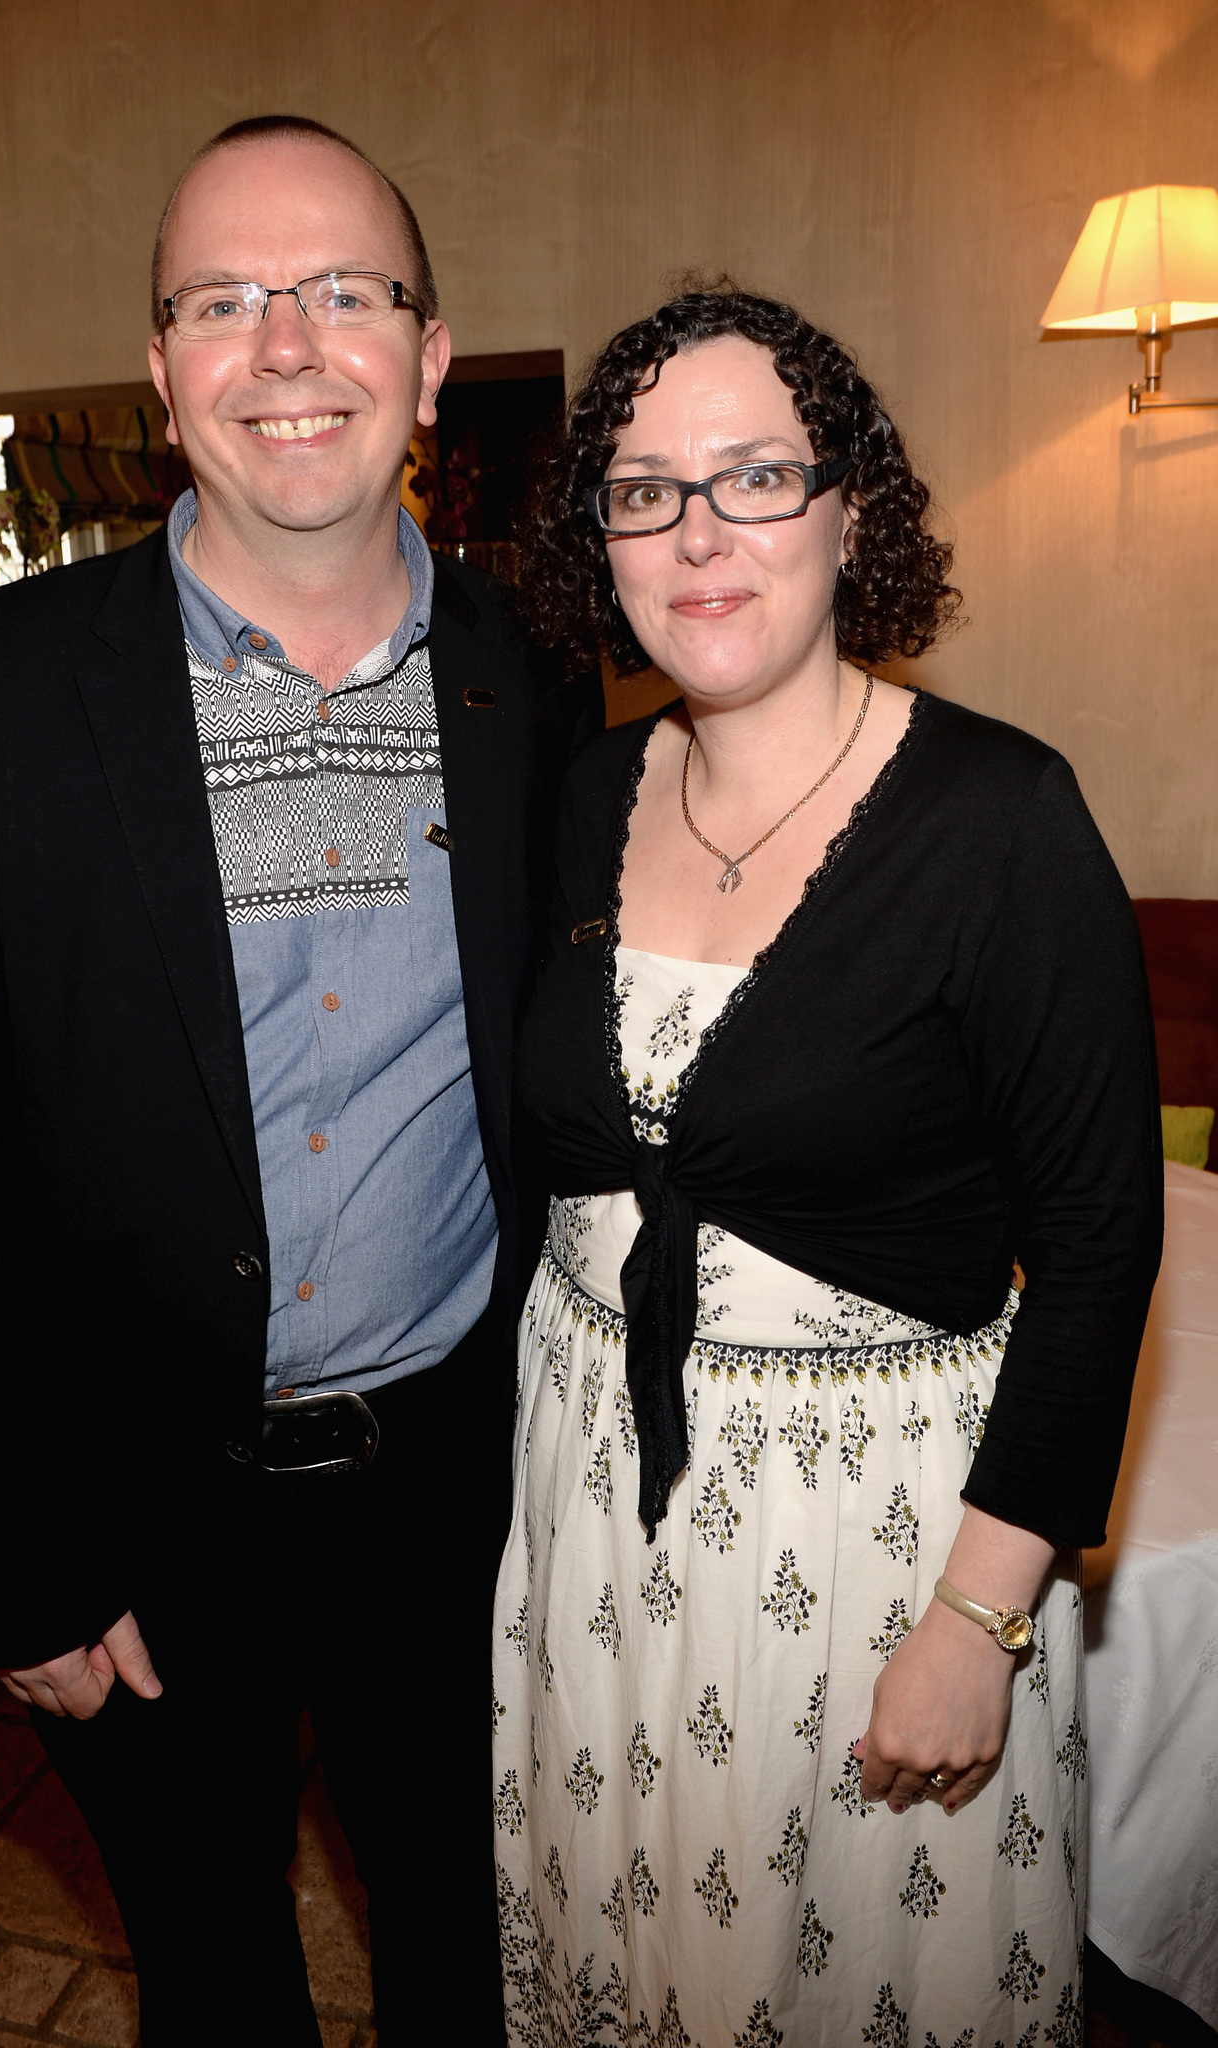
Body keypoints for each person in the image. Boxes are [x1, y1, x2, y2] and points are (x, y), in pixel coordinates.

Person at [0, 115, 597, 2046]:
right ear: (165, 368)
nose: (290, 343)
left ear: (431, 360)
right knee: (213, 1974)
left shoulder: (539, 673)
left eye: (349, 292)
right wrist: (13, 1551)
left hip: (458, 1496)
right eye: (227, 301)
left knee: (467, 1944)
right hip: (138, 1508)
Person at [492, 284, 1162, 2045]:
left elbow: (1100, 1242)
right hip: (592, 1500)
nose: (699, 533)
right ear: (602, 541)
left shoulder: (1003, 821)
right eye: (645, 489)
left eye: (757, 476)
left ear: (851, 511)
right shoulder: (587, 794)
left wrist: (981, 1623)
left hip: (872, 1539)